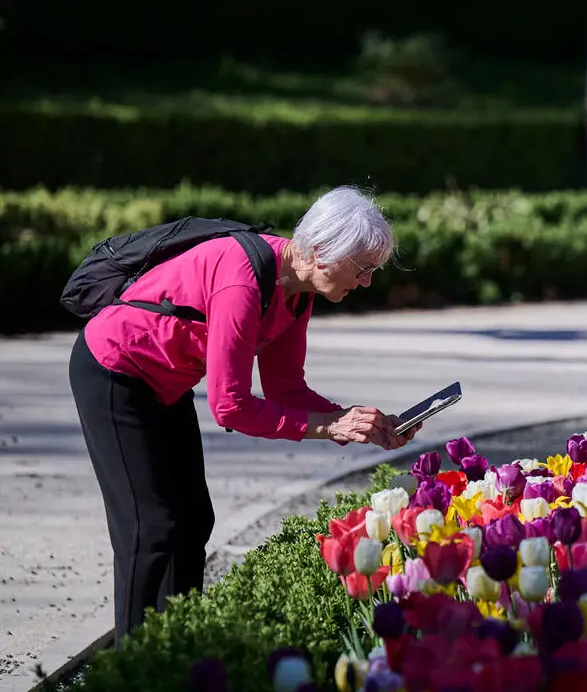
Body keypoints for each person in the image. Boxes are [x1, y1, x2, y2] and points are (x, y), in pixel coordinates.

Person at [68, 185, 418, 644]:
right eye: (363, 268)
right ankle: (135, 661)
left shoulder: (297, 290)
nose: (367, 281)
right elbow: (229, 406)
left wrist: (357, 423)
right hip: (114, 370)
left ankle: (177, 642)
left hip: (163, 383)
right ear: (321, 252)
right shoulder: (243, 279)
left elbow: (285, 388)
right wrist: (329, 425)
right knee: (150, 528)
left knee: (194, 519)